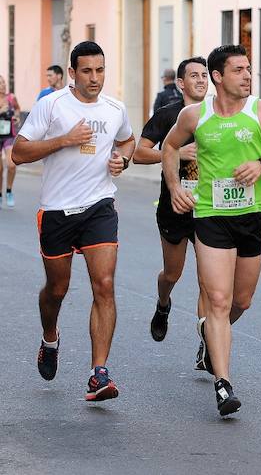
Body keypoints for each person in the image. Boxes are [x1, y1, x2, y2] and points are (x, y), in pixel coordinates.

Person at [162, 44, 261, 417]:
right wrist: (176, 187)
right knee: (219, 301)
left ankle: (210, 336)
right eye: (239, 70)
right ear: (218, 77)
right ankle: (223, 384)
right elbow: (170, 147)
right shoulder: (195, 115)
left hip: (252, 215)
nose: (247, 76)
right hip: (211, 216)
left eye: (249, 69)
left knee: (241, 301)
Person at [12, 41, 135, 402]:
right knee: (57, 290)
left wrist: (122, 162)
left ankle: (99, 374)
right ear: (72, 73)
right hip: (56, 211)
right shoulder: (51, 105)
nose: (95, 78)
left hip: (99, 206)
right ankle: (50, 337)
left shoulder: (115, 108)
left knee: (105, 284)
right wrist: (64, 140)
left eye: (100, 70)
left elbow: (127, 142)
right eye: (87, 71)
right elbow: (19, 152)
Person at [133, 57, 209, 358]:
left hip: (209, 209)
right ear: (180, 83)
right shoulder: (168, 115)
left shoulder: (217, 115)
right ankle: (163, 304)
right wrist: (174, 151)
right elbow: (139, 154)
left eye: (205, 75)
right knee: (173, 274)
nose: (201, 80)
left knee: (209, 279)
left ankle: (208, 343)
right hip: (174, 206)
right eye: (194, 75)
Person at [0, 76, 21, 207]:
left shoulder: (11, 98)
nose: (2, 85)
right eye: (0, 83)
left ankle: (9, 191)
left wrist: (17, 117)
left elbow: (18, 109)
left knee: (11, 164)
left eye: (3, 82)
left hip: (9, 135)